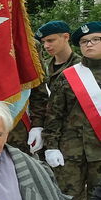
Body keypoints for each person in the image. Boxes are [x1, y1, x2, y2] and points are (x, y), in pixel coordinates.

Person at [44, 20, 101, 200]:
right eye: (84, 42)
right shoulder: (69, 76)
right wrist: (51, 146)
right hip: (71, 153)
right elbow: (54, 115)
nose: (89, 44)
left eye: (95, 40)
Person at [28, 20, 78, 153]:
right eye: (43, 42)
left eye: (50, 40)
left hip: (73, 138)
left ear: (66, 37)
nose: (46, 46)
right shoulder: (42, 67)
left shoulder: (81, 67)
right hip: (43, 134)